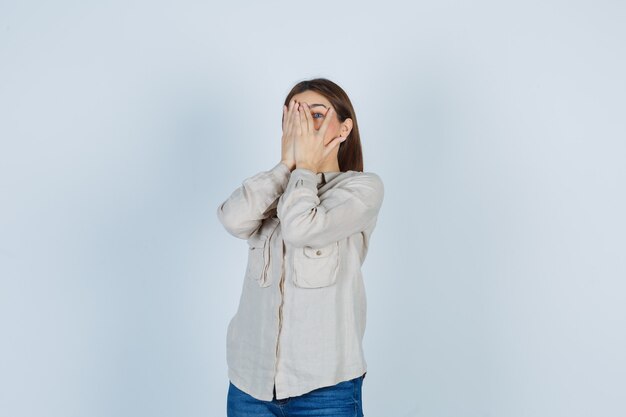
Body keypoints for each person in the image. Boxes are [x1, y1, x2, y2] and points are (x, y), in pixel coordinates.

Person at [217, 78, 384, 417]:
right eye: (294, 116)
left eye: (317, 114)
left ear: (345, 128)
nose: (304, 125)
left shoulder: (362, 189)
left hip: (325, 390)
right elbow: (233, 219)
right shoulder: (274, 187)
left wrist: (304, 168)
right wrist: (286, 168)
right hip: (250, 386)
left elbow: (300, 227)